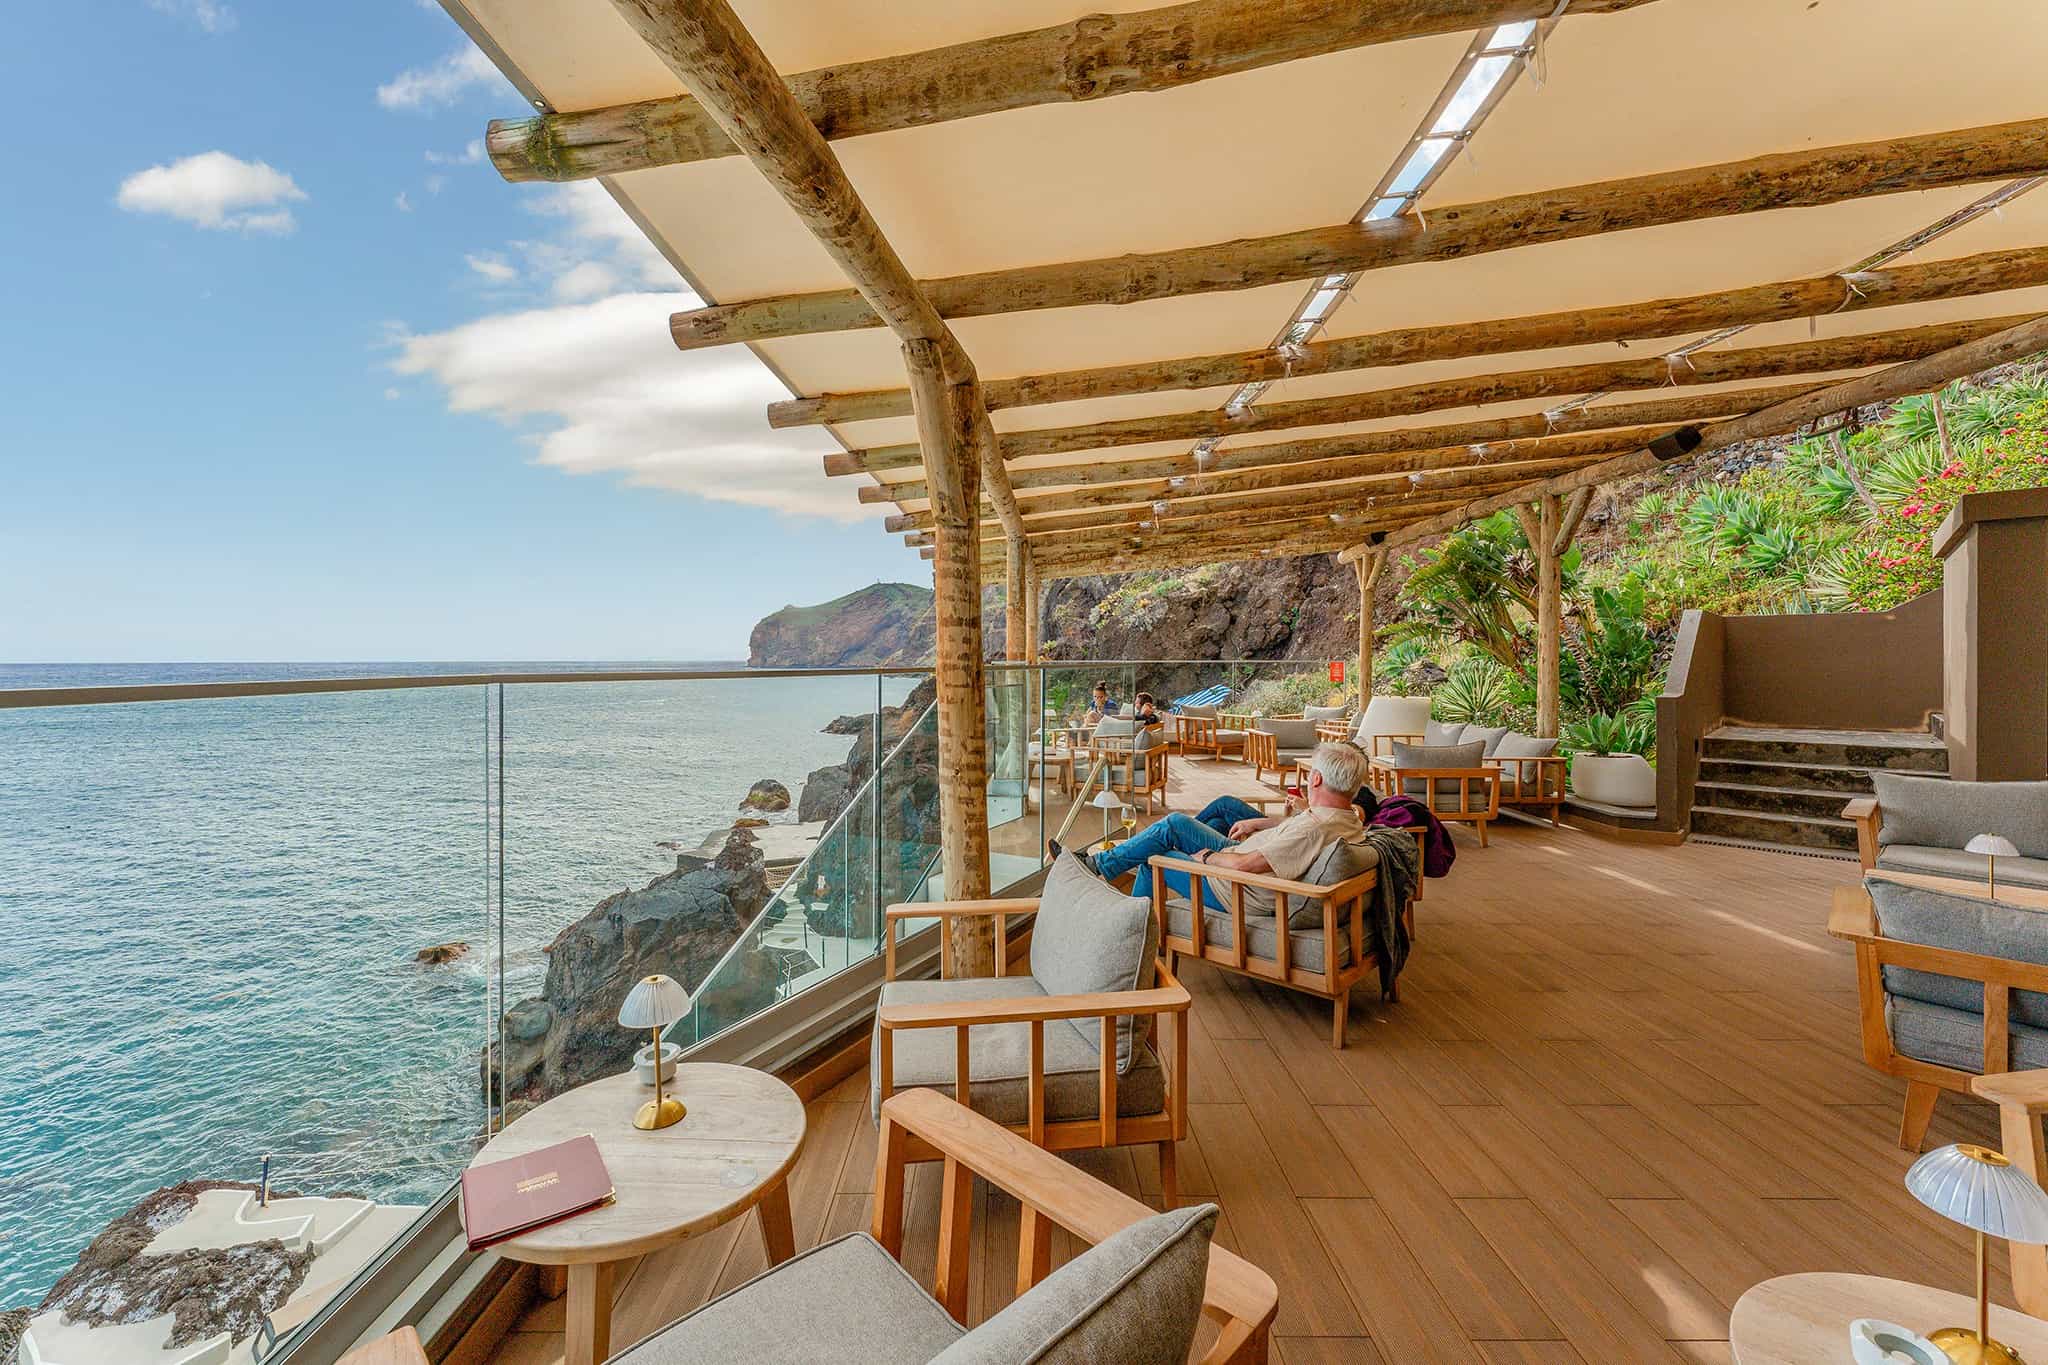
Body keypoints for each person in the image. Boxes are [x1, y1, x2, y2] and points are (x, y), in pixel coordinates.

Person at [1054, 742, 1370, 909]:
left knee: (1157, 857)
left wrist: (1205, 858)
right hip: (1247, 860)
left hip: (1236, 888)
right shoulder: (1347, 820)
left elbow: (1246, 865)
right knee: (1213, 817)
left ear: (1315, 778)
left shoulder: (1313, 828)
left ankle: (1116, 901)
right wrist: (1257, 824)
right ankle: (1105, 863)